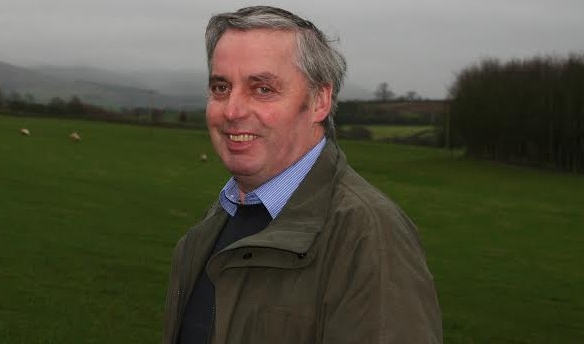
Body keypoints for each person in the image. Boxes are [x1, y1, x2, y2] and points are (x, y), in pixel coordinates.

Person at [162, 6, 442, 344]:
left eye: (262, 89)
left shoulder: (368, 236)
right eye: (221, 88)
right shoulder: (220, 219)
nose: (232, 111)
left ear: (319, 101)